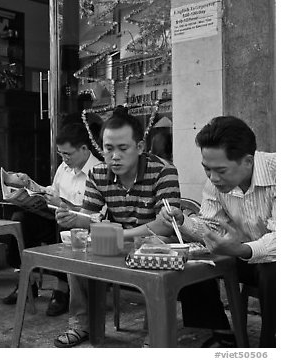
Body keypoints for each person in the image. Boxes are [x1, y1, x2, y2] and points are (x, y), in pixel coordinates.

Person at [53, 106, 181, 347]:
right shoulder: (98, 174)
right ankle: (80, 325)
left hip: (153, 240)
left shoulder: (164, 172)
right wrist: (72, 219)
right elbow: (88, 218)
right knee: (78, 249)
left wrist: (122, 235)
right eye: (108, 149)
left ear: (140, 147)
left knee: (158, 246)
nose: (114, 156)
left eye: (123, 148)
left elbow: (166, 225)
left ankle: (154, 334)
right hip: (116, 240)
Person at [160, 116, 275, 348]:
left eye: (221, 170)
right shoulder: (215, 182)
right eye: (206, 169)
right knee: (191, 260)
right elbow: (210, 227)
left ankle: (271, 346)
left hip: (270, 258)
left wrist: (240, 249)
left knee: (274, 270)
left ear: (248, 161)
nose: (213, 178)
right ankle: (221, 332)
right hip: (241, 255)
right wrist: (182, 221)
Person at [2, 122, 102, 318]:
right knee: (20, 220)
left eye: (68, 154)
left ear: (84, 149)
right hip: (55, 217)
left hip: (81, 227)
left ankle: (62, 288)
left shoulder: (97, 171)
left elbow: (96, 216)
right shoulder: (64, 168)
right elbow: (52, 191)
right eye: (61, 154)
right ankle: (27, 281)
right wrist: (30, 185)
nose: (64, 159)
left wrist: (63, 204)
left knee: (62, 222)